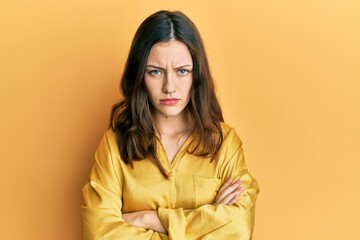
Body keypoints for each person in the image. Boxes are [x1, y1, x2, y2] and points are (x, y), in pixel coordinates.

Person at [81, 10, 260, 240]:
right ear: (140, 75)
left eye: (182, 71)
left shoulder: (225, 144)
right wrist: (206, 220)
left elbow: (238, 228)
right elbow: (98, 234)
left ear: (197, 75)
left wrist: (146, 219)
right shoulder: (113, 145)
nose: (169, 86)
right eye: (155, 72)